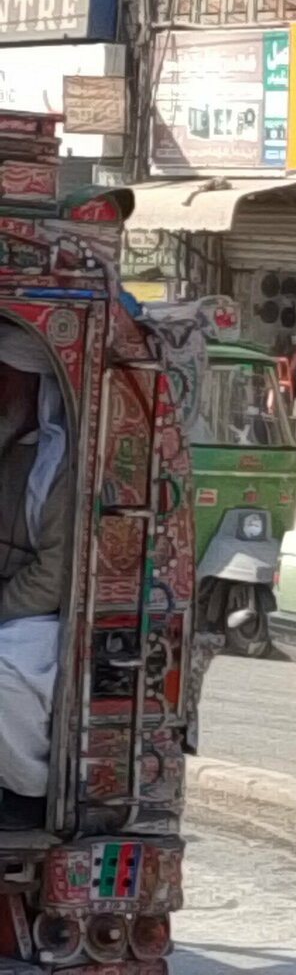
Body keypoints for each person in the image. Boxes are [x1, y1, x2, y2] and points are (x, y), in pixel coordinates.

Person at [0, 322, 69, 830]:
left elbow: (52, 577)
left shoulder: (59, 467)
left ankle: (26, 793)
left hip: (39, 622)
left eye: (7, 378)